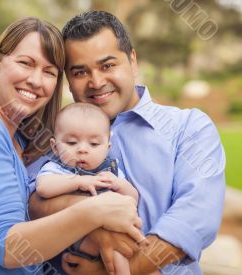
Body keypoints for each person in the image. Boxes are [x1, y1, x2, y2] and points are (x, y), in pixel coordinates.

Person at [0, 17, 145, 275]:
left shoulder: (20, 141)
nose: (35, 80)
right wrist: (95, 211)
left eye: (49, 72)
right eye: (26, 63)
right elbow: (8, 247)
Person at [28, 11, 226, 275]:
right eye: (80, 71)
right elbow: (32, 200)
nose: (96, 82)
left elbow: (195, 217)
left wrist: (119, 270)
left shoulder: (188, 128)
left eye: (107, 65)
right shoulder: (59, 132)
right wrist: (95, 223)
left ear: (132, 61)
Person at [36, 102, 140, 275]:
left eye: (93, 144)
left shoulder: (110, 171)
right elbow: (43, 188)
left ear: (107, 148)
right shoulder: (58, 168)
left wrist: (118, 184)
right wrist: (78, 181)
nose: (82, 149)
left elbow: (133, 197)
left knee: (120, 249)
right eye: (71, 142)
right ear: (55, 147)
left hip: (112, 231)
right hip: (76, 235)